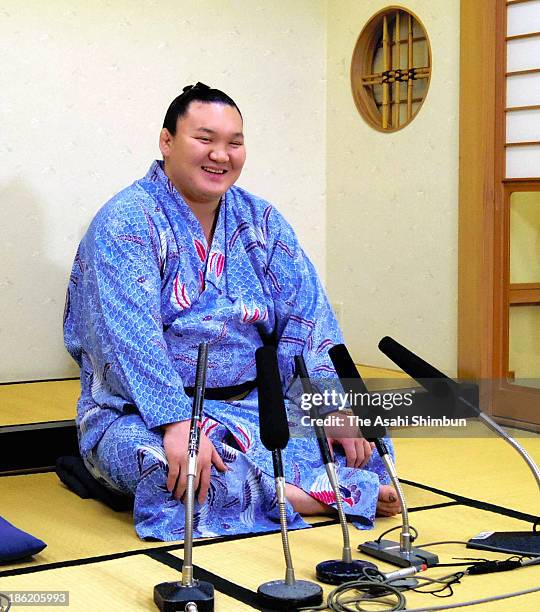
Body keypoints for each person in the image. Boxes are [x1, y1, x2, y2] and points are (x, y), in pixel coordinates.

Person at [63, 83, 400, 541]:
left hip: (254, 407)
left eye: (234, 143)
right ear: (167, 141)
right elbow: (127, 340)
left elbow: (308, 318)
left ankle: (299, 488)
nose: (220, 155)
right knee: (164, 470)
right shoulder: (126, 222)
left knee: (370, 443)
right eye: (205, 139)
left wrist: (329, 406)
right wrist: (177, 422)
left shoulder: (262, 221)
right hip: (143, 413)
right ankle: (313, 495)